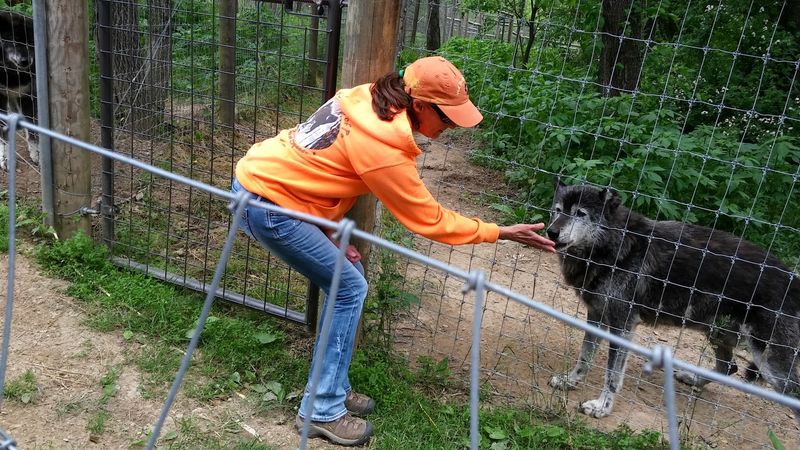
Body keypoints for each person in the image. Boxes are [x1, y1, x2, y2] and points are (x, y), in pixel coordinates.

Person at [231, 56, 556, 446]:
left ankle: (332, 382)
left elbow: (319, 164)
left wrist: (324, 229)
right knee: (349, 287)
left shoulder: (368, 97)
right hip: (268, 206)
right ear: (418, 105)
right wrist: (498, 231)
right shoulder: (383, 145)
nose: (450, 127)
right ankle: (321, 408)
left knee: (350, 282)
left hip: (270, 188)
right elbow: (428, 219)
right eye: (447, 118)